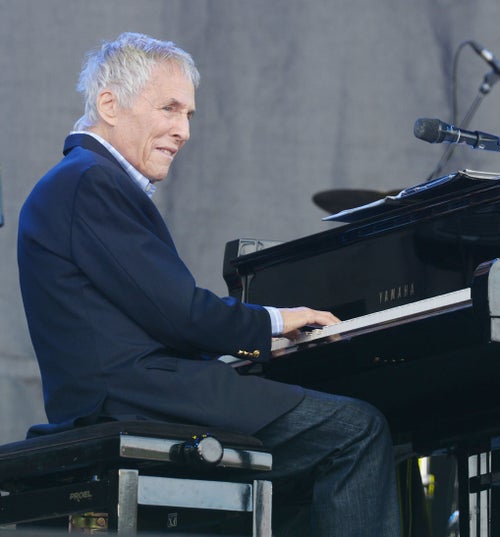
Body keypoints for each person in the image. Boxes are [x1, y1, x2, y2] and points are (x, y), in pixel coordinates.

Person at [17, 32, 401, 537]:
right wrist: (278, 322)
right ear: (109, 104)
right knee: (356, 432)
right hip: (140, 398)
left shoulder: (77, 182)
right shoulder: (91, 181)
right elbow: (180, 314)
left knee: (311, 457)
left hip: (122, 394)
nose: (183, 130)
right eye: (169, 109)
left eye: (189, 115)